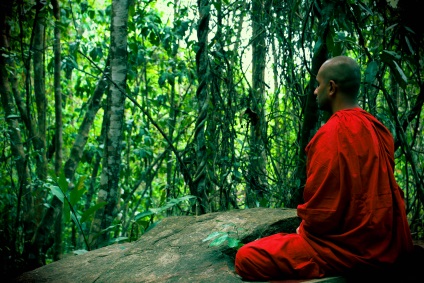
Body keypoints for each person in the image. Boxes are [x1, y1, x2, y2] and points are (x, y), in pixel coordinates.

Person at [234, 56, 414, 281]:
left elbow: (322, 215)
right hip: (386, 245)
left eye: (318, 85)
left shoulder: (331, 134)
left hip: (346, 249)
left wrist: (304, 230)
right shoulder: (378, 128)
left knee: (247, 257)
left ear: (331, 88)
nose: (314, 92)